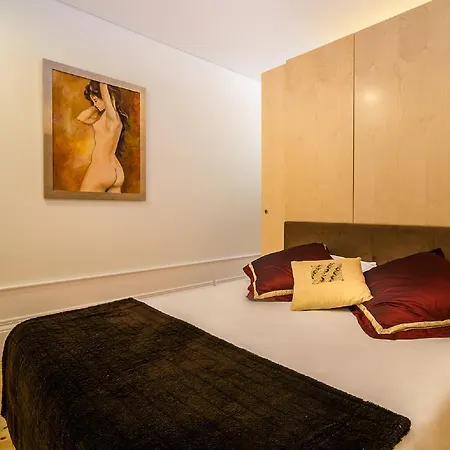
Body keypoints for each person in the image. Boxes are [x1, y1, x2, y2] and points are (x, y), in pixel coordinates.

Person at [76, 81, 128, 193]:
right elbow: (81, 118)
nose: (94, 104)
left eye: (95, 100)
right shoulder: (112, 119)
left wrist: (103, 92)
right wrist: (97, 105)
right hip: (117, 171)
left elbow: (103, 87)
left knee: (82, 203)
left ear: (105, 96)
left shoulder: (111, 116)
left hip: (101, 168)